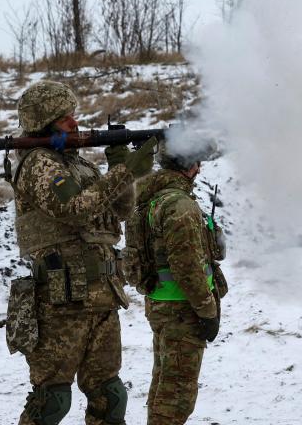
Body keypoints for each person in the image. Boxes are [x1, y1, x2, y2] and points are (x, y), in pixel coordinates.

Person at [7, 80, 157, 425]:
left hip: (103, 296)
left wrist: (121, 165)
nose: (75, 123)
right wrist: (125, 171)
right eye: (64, 118)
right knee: (52, 400)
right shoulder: (38, 164)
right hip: (62, 301)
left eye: (73, 115)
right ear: (44, 124)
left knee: (109, 395)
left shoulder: (80, 165)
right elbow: (74, 208)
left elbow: (119, 209)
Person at [127, 140, 228, 425]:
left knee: (164, 384)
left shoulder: (154, 199)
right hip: (183, 310)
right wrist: (208, 311)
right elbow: (187, 268)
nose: (200, 168)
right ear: (189, 166)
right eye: (197, 161)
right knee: (177, 394)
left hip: (162, 305)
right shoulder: (180, 205)